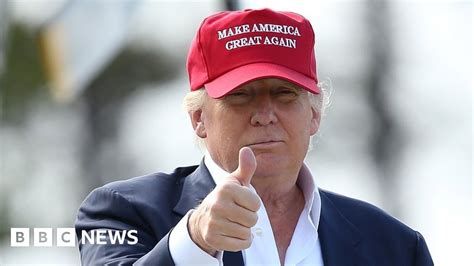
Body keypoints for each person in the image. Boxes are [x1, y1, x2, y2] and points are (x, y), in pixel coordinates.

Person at [75, 8, 434, 266]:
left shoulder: (395, 247)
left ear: (314, 115)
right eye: (240, 95)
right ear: (199, 119)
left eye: (284, 94)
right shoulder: (121, 212)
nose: (265, 115)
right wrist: (195, 241)